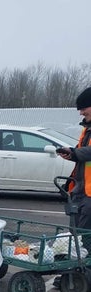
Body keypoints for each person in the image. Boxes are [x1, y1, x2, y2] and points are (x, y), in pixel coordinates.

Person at [56, 87, 91, 254]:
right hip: (81, 190)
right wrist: (71, 154)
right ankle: (76, 274)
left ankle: (85, 275)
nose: (81, 112)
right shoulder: (87, 129)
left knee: (85, 237)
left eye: (84, 107)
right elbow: (81, 153)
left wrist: (75, 152)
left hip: (90, 195)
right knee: (75, 235)